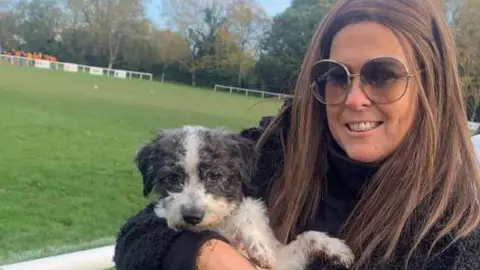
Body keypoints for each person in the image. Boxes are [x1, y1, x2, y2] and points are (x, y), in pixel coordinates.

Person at [113, 0, 480, 269]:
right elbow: (137, 237)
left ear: (432, 86)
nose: (354, 99)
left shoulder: (460, 237)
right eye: (336, 74)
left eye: (382, 75)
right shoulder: (275, 147)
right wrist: (206, 254)